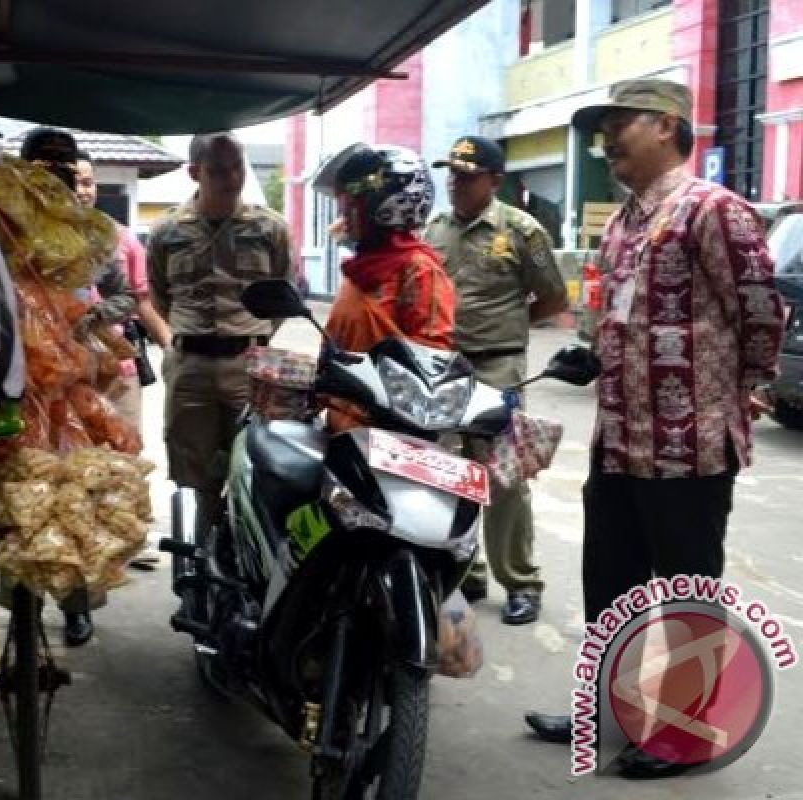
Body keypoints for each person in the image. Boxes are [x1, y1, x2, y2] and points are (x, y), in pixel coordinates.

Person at [523, 79, 785, 778]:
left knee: (687, 593)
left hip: (689, 445)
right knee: (612, 585)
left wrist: (748, 383)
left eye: (619, 123)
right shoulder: (621, 223)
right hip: (619, 440)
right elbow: (622, 314)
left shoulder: (713, 210)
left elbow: (760, 308)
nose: (608, 137)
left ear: (666, 126)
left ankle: (689, 732)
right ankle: (613, 712)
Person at [425, 135, 568, 625]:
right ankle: (469, 570)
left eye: (467, 175)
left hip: (498, 366)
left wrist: (510, 325)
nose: (455, 183)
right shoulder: (434, 230)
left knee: (502, 476)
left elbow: (552, 298)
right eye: (452, 174)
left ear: (495, 180)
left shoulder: (522, 231)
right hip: (445, 367)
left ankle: (521, 581)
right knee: (446, 469)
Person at [19, 127, 137, 647]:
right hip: (20, 386)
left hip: (77, 385)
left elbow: (123, 297)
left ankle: (77, 607)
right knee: (20, 502)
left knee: (80, 497)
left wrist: (90, 322)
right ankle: (20, 608)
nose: (53, 174)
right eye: (41, 166)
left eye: (61, 166)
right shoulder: (4, 225)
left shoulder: (95, 232)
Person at [147, 131, 294, 536]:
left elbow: (282, 294)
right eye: (218, 170)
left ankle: (252, 580)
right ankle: (203, 579)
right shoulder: (167, 231)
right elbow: (161, 298)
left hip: (251, 368)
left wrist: (253, 337)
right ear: (194, 172)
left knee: (261, 472)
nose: (231, 179)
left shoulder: (270, 228)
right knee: (196, 480)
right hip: (190, 369)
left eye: (237, 168)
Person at [313, 143, 455, 430]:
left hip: (386, 431)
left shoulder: (418, 269)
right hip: (342, 421)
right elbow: (338, 342)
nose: (342, 217)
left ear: (386, 207)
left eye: (351, 207)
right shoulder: (360, 268)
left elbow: (431, 360)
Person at [74, 152, 172, 433]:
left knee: (123, 453)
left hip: (116, 366)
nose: (82, 191)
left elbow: (140, 300)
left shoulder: (119, 237)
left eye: (88, 183)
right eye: (74, 182)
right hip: (61, 366)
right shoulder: (31, 239)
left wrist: (170, 345)